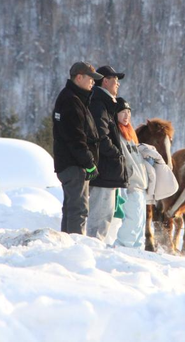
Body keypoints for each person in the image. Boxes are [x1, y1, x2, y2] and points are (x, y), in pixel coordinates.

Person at [52, 62, 103, 235]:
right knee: (78, 209)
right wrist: (88, 163)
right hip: (74, 166)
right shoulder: (71, 101)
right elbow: (75, 138)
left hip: (72, 164)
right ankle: (74, 246)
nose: (93, 83)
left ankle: (67, 242)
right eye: (90, 79)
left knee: (71, 208)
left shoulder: (74, 98)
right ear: (79, 77)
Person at [87, 65, 129, 240]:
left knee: (106, 215)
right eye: (115, 80)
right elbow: (101, 136)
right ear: (105, 81)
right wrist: (116, 155)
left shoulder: (105, 104)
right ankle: (90, 249)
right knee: (99, 216)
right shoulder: (99, 105)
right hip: (104, 169)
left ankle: (95, 247)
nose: (118, 84)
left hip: (108, 170)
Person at [114, 98, 148, 248]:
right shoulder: (117, 134)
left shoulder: (130, 135)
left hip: (140, 186)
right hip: (131, 185)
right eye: (123, 112)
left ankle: (137, 251)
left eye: (128, 112)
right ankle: (122, 248)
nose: (126, 115)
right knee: (132, 221)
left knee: (140, 224)